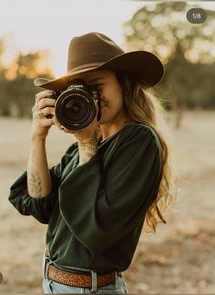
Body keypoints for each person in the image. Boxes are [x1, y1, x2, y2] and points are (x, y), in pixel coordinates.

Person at [9, 32, 173, 294]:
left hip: (90, 288)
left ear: (124, 84)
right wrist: (37, 137)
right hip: (53, 282)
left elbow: (97, 228)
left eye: (96, 86)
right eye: (81, 90)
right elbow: (40, 203)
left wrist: (87, 142)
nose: (91, 97)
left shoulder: (139, 141)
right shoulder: (82, 148)